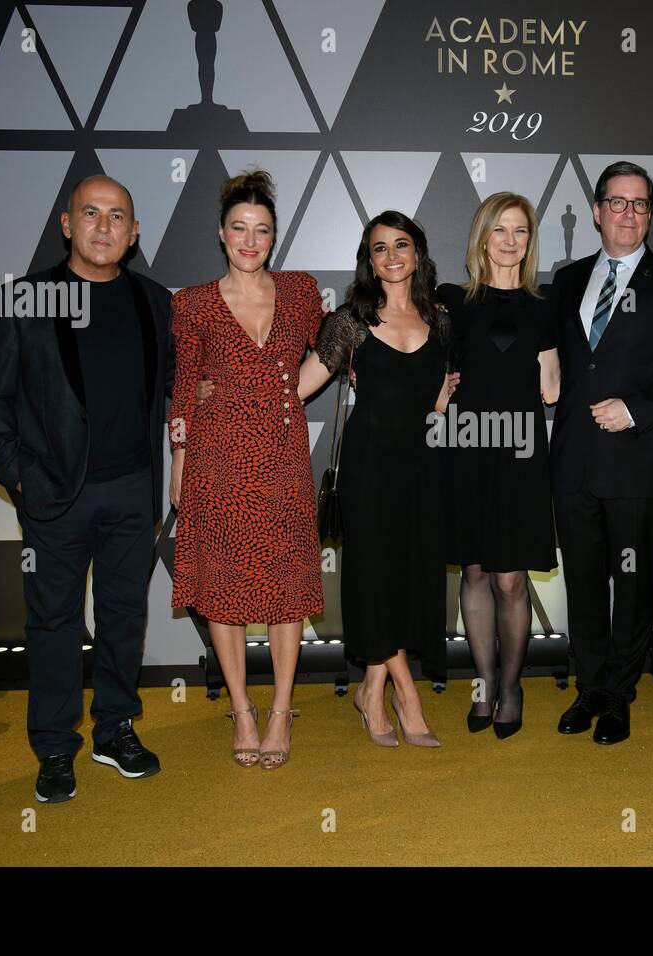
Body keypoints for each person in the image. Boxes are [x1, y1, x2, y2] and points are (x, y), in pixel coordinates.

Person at [0, 175, 172, 804]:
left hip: (133, 494)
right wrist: (22, 477)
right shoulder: (22, 302)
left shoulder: (154, 303)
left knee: (122, 617)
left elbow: (174, 393)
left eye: (118, 216)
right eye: (92, 213)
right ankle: (56, 746)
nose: (105, 226)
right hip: (55, 498)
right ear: (67, 224)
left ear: (134, 233)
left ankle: (115, 729)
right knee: (54, 623)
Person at [549, 160, 653, 745]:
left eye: (640, 204)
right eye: (617, 202)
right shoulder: (566, 281)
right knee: (585, 583)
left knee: (633, 583)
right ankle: (589, 687)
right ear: (596, 211)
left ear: (650, 214)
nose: (628, 213)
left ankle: (620, 694)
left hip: (636, 460)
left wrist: (636, 408)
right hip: (572, 461)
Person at [167, 169, 323, 770]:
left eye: (262, 230)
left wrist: (295, 389)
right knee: (226, 591)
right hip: (217, 458)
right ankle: (242, 709)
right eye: (240, 229)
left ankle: (281, 709)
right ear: (221, 235)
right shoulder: (195, 303)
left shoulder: (302, 292)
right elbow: (183, 391)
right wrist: (179, 461)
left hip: (283, 456)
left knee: (286, 589)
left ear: (274, 235)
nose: (250, 240)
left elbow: (337, 345)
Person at [301, 211, 457, 747]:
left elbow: (437, 395)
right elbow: (298, 388)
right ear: (368, 260)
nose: (391, 256)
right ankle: (407, 698)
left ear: (418, 252)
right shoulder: (351, 320)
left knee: (410, 580)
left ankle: (372, 689)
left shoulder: (440, 319)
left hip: (422, 467)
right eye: (379, 248)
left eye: (401, 245)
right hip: (369, 469)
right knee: (375, 578)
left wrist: (439, 400)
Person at [437, 192, 559, 739]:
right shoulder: (451, 303)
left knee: (511, 578)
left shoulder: (544, 306)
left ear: (530, 242)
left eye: (521, 232)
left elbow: (551, 389)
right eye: (500, 230)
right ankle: (484, 683)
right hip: (467, 448)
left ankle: (512, 686)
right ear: (482, 236)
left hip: (521, 453)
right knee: (476, 570)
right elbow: (428, 370)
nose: (510, 241)